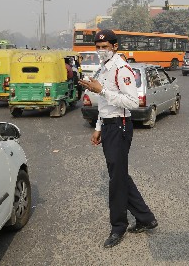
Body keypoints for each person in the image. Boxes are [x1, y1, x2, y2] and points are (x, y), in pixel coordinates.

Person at [78, 29, 157, 249]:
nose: (101, 50)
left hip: (121, 127)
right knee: (119, 175)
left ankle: (118, 227)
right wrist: (98, 127)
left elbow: (133, 102)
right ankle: (145, 218)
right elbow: (104, 106)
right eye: (98, 47)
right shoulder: (104, 68)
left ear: (115, 47)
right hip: (109, 125)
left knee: (116, 180)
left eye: (105, 47)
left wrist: (101, 90)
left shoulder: (122, 69)